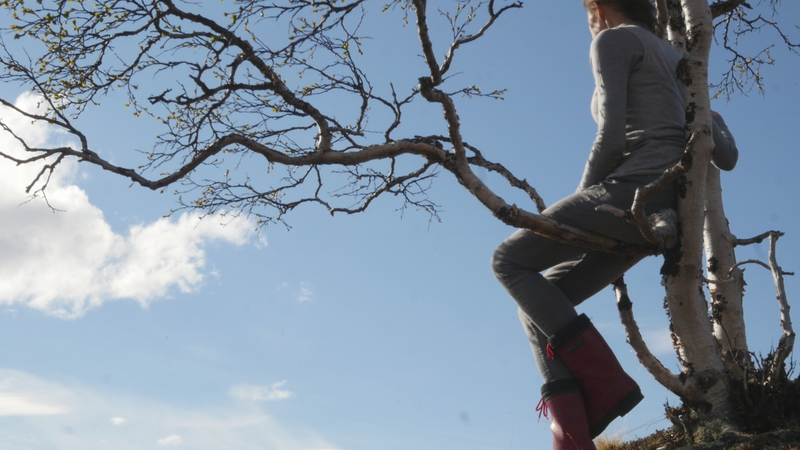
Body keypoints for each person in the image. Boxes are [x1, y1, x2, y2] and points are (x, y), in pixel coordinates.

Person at [490, 1, 738, 449]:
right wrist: (714, 120)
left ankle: (609, 386)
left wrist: (576, 205)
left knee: (507, 261)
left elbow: (610, 138)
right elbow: (728, 156)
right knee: (538, 305)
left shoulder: (613, 39)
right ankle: (573, 438)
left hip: (628, 196)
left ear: (599, 8)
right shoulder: (678, 59)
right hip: (664, 216)